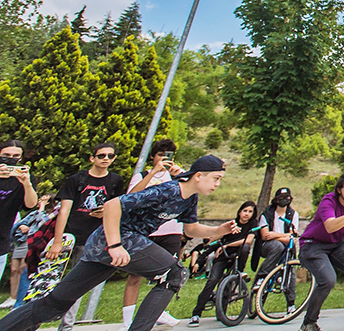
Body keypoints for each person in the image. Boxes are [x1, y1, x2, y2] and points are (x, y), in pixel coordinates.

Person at [0, 154, 239, 331]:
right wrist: (115, 245)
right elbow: (114, 205)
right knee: (175, 274)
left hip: (113, 246)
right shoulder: (168, 190)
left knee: (56, 303)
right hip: (116, 239)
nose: (217, 184)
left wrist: (219, 229)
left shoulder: (189, 199)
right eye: (216, 179)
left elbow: (191, 228)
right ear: (199, 176)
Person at [49, 142, 126, 331]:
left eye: (110, 156)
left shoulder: (115, 181)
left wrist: (105, 214)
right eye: (101, 156)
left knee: (77, 283)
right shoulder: (77, 180)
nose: (106, 159)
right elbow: (64, 211)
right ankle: (32, 319)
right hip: (71, 235)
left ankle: (66, 325)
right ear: (92, 158)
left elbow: (118, 208)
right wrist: (57, 242)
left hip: (93, 238)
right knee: (48, 279)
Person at [120, 139, 184, 331]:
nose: (164, 159)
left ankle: (158, 312)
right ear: (153, 157)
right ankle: (127, 320)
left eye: (168, 156)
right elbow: (131, 196)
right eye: (160, 155)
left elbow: (187, 196)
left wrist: (179, 177)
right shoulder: (143, 175)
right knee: (134, 276)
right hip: (146, 230)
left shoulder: (177, 177)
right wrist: (154, 172)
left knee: (170, 274)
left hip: (170, 229)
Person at [298, 172, 344, 331]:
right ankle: (309, 322)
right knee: (328, 280)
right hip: (313, 244)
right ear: (339, 189)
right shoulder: (329, 201)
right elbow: (330, 226)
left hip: (337, 244)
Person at [189, 201, 257, 327]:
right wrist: (204, 253)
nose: (247, 214)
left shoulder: (253, 225)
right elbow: (214, 239)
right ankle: (196, 314)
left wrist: (227, 244)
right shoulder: (231, 224)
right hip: (223, 256)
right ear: (240, 212)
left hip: (237, 256)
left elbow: (247, 240)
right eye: (245, 211)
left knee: (245, 248)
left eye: (250, 212)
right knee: (212, 281)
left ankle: (222, 313)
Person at [251, 186, 299, 312]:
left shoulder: (292, 214)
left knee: (290, 274)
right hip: (268, 247)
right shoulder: (267, 214)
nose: (285, 200)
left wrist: (275, 235)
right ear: (276, 200)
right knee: (277, 246)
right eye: (282, 198)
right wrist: (284, 236)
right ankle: (262, 278)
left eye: (287, 198)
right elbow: (265, 236)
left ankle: (291, 304)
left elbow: (292, 237)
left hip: (286, 249)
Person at [5, 194, 55, 309]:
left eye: (43, 200)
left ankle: (21, 302)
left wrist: (41, 208)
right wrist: (22, 226)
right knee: (14, 269)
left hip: (32, 244)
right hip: (22, 241)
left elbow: (41, 224)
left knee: (24, 270)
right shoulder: (33, 213)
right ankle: (14, 298)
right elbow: (21, 223)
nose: (39, 201)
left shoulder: (51, 214)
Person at [0, 140, 38, 287]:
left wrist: (26, 183)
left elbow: (30, 204)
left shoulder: (23, 178)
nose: (10, 158)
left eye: (16, 156)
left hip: (2, 239)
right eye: (6, 155)